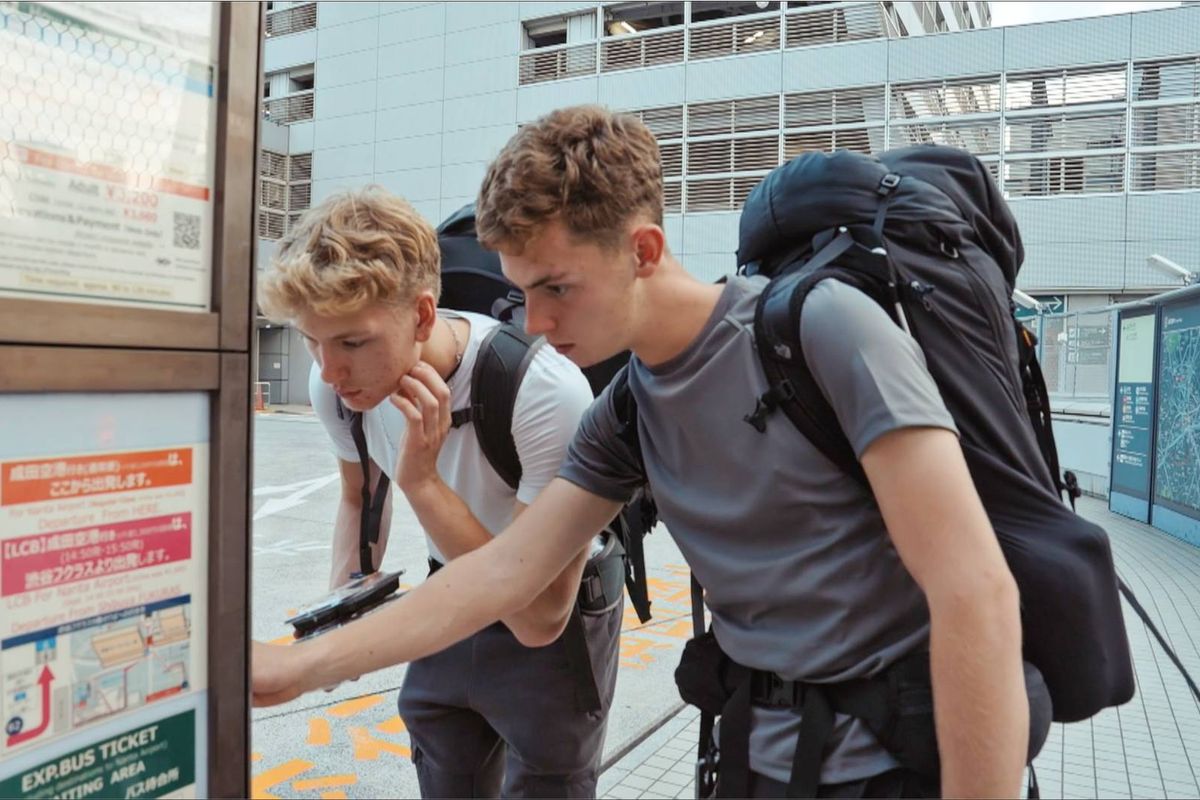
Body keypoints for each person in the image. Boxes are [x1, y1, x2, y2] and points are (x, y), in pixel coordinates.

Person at [254, 107, 1029, 798]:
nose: (537, 321)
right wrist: (297, 668)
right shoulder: (627, 408)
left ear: (644, 249)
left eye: (557, 287)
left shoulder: (820, 331)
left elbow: (976, 593)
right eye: (523, 291)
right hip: (762, 757)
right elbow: (500, 575)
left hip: (901, 764)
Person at [256, 187, 623, 799]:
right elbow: (357, 496)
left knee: (548, 785)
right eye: (310, 340)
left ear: (423, 315)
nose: (328, 371)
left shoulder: (540, 391)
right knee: (442, 770)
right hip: (444, 602)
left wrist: (423, 484)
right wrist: (335, 622)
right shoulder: (339, 388)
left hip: (555, 629)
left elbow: (538, 616)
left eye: (351, 342)